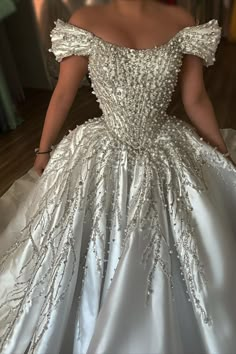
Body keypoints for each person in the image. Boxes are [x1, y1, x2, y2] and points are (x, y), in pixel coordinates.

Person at [0, 1, 236, 353]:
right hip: (102, 148)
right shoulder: (85, 21)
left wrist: (221, 151)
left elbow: (195, 96)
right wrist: (43, 149)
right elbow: (64, 93)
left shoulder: (182, 21)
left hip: (164, 144)